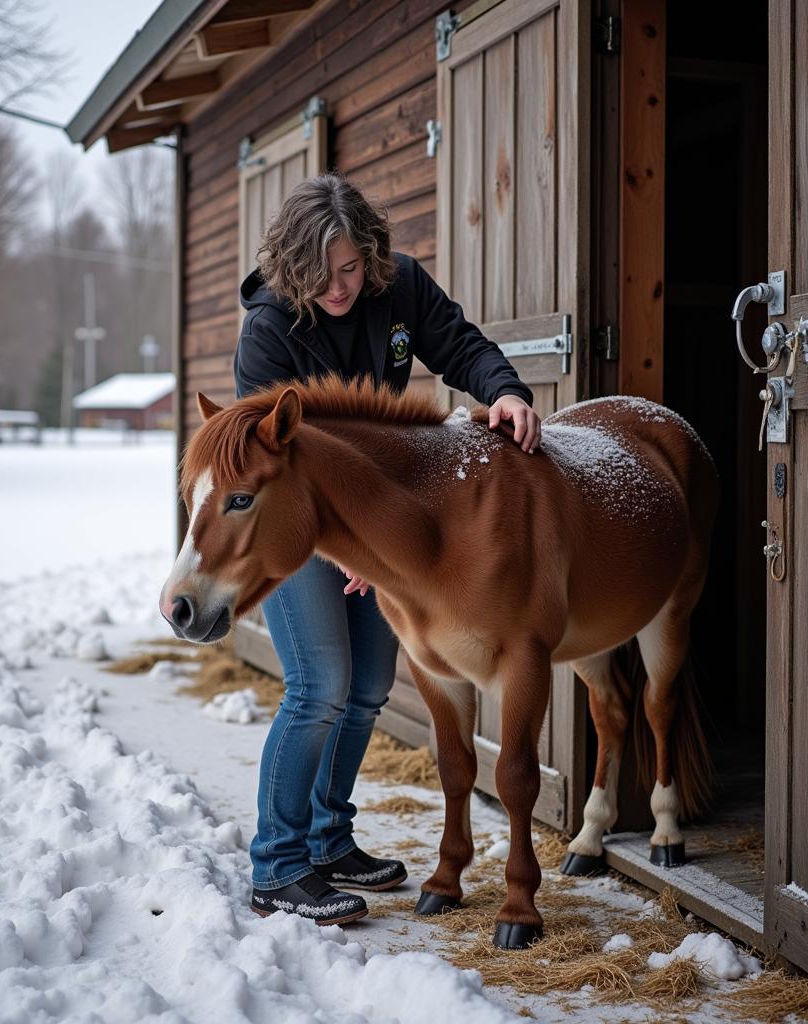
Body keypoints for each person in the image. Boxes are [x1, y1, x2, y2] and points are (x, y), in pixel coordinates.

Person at [236, 172, 541, 926]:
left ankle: (329, 840)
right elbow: (263, 459)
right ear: (291, 267)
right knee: (320, 685)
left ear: (369, 254)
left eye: (349, 269)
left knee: (371, 683)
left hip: (374, 521)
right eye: (320, 274)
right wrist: (342, 547)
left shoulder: (397, 285)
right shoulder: (268, 331)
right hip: (295, 525)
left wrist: (504, 390)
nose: (339, 288)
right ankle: (277, 864)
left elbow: (459, 345)